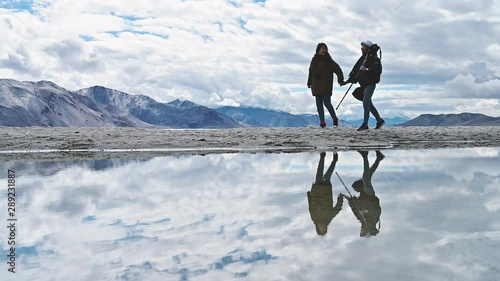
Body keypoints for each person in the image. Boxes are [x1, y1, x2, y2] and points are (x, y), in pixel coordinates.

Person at [344, 40, 385, 131]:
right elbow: (356, 72)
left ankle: (365, 124)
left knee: (366, 102)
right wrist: (348, 81)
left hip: (370, 84)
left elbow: (377, 70)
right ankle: (379, 121)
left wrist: (366, 69)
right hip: (364, 85)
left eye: (363, 47)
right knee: (368, 103)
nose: (362, 48)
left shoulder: (373, 59)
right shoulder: (363, 59)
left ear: (368, 48)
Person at [345, 150, 384, 237]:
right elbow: (376, 207)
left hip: (364, 194)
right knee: (365, 178)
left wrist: (349, 199)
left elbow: (354, 208)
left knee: (368, 176)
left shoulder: (361, 219)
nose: (362, 229)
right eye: (363, 231)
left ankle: (378, 158)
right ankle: (365, 156)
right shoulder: (375, 218)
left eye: (361, 230)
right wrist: (366, 210)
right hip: (369, 195)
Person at [307, 43, 345, 128]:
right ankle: (322, 122)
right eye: (322, 48)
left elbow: (337, 69)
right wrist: (309, 82)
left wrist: (340, 80)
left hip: (326, 85)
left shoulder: (328, 60)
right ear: (318, 49)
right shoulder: (314, 60)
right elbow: (311, 72)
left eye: (325, 48)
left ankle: (334, 119)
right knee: (319, 104)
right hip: (316, 85)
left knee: (327, 103)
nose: (324, 50)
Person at [307, 151, 344, 235]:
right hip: (326, 191)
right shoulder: (329, 217)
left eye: (321, 229)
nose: (322, 227)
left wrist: (309, 196)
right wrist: (340, 199)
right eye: (323, 229)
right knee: (328, 174)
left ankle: (322, 156)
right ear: (326, 228)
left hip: (316, 192)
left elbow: (310, 207)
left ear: (318, 228)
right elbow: (337, 209)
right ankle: (334, 160)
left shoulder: (314, 218)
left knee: (319, 172)